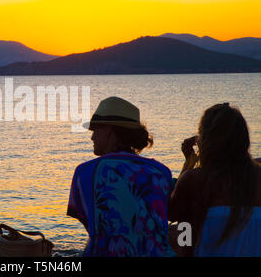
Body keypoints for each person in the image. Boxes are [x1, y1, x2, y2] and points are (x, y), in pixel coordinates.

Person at [67, 96, 173, 256]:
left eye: (96, 130)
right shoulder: (161, 171)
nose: (92, 137)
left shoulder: (86, 172)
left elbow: (92, 225)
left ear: (109, 130)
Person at [169, 103, 261, 256]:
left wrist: (188, 165)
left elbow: (173, 215)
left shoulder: (196, 180)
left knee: (184, 228)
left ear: (206, 140)